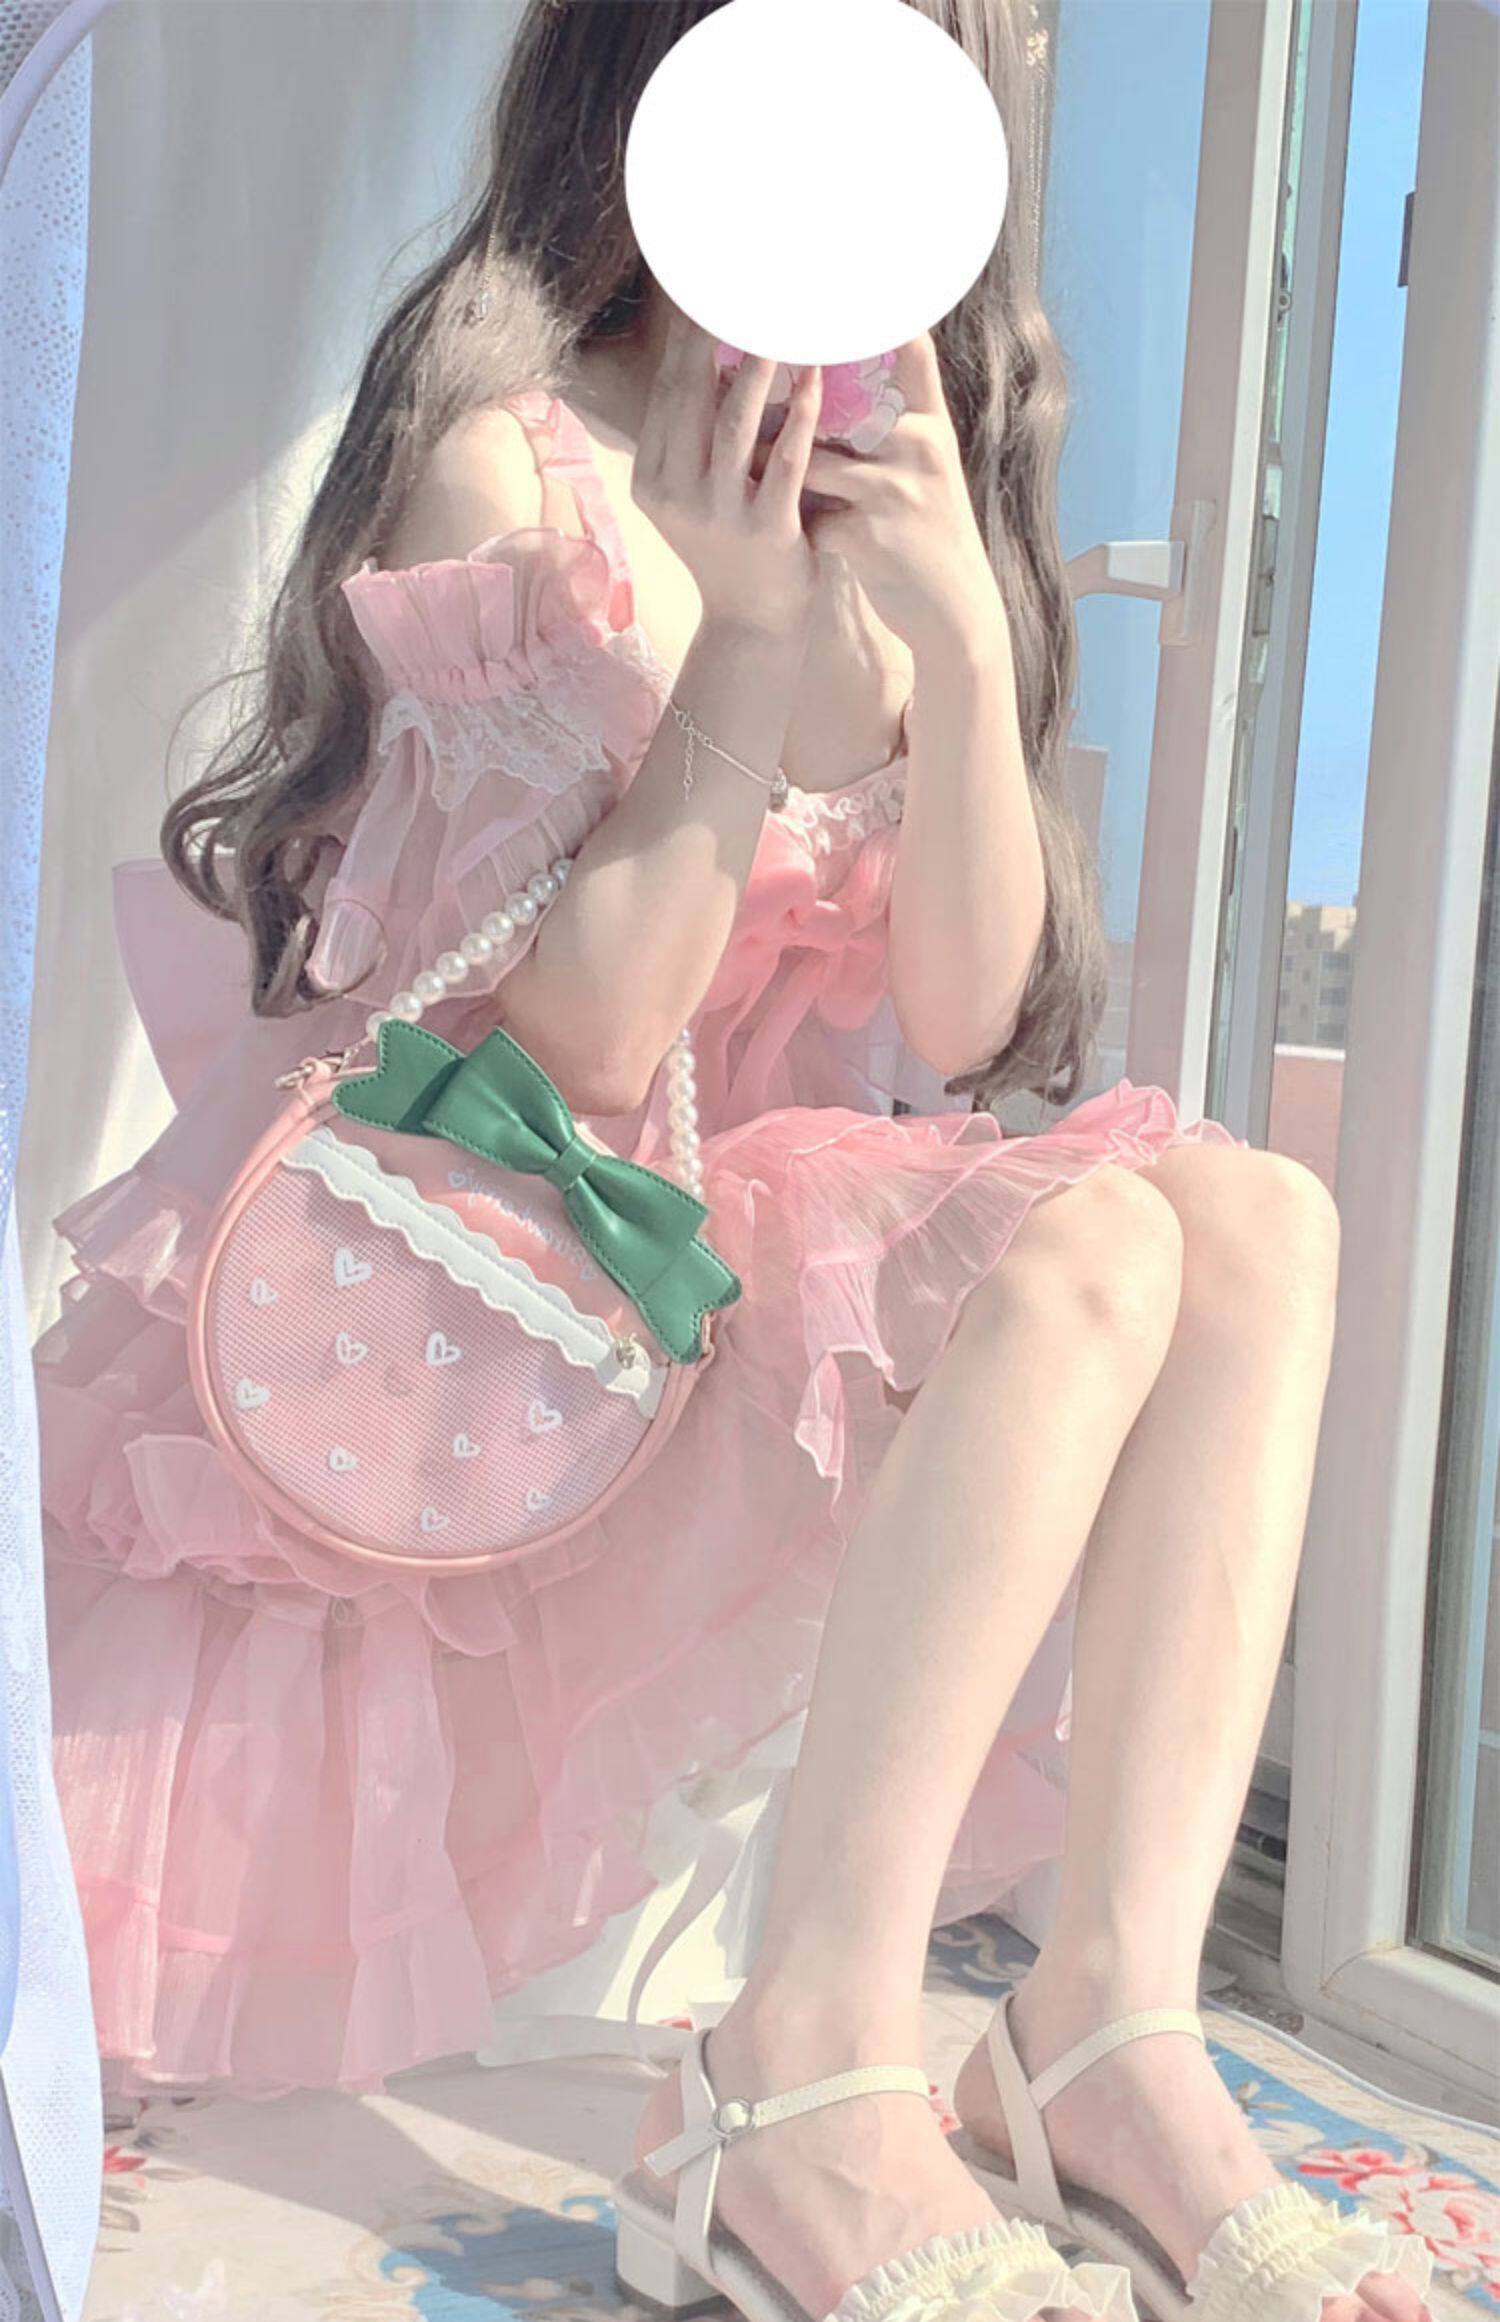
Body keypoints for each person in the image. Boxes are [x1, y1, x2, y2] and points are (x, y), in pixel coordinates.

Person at [37, 5, 1432, 2319]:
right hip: (531, 1272)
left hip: (733, 1272)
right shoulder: (519, 466)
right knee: (1092, 1240)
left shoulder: (913, 484)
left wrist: (962, 649)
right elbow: (586, 1039)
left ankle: (1107, 2025)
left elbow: (967, 1021)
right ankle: (803, 2070)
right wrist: (741, 636)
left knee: (1263, 1218)